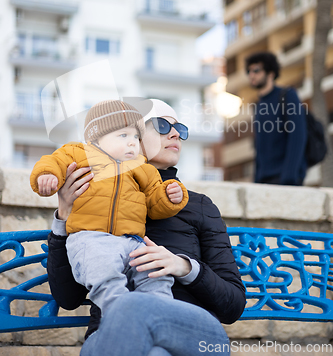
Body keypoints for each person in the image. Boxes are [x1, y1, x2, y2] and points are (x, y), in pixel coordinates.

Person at [47, 99, 246, 356]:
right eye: (162, 125)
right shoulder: (89, 197)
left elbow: (233, 305)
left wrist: (183, 267)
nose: (176, 134)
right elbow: (68, 298)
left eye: (180, 129)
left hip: (190, 333)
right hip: (112, 337)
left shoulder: (198, 205)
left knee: (135, 309)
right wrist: (65, 215)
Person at [31, 100, 188, 315]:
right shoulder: (79, 153)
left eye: (135, 136)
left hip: (131, 241)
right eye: (123, 136)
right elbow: (53, 162)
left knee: (154, 273)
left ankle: (159, 310)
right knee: (103, 271)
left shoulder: (141, 167)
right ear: (97, 137)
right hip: (91, 238)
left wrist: (170, 195)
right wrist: (47, 176)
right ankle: (119, 310)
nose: (132, 142)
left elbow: (154, 200)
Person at [245, 52, 307, 185]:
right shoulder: (258, 105)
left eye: (256, 70)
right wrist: (257, 179)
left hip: (286, 178)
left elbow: (298, 136)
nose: (251, 75)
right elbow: (260, 146)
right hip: (263, 180)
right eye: (249, 71)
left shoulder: (287, 96)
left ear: (271, 73)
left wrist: (289, 175)